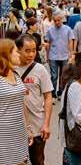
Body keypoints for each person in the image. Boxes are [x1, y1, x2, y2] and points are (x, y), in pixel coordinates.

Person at [15, 34, 53, 165]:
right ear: (18, 49)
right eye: (27, 50)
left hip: (37, 127)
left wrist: (46, 124)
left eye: (34, 50)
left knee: (38, 161)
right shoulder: (10, 69)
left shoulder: (40, 70)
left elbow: (48, 97)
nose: (31, 54)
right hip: (16, 128)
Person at [0, 39, 33, 165]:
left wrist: (28, 128)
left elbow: (21, 104)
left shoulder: (16, 75)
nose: (18, 54)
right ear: (6, 55)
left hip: (19, 132)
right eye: (15, 51)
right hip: (3, 134)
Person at [45, 10, 75, 99]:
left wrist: (71, 53)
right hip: (53, 55)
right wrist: (47, 56)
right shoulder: (50, 30)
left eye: (58, 20)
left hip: (65, 55)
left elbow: (70, 41)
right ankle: (53, 92)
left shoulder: (68, 29)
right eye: (55, 21)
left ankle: (61, 91)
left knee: (63, 75)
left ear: (62, 19)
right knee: (54, 76)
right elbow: (48, 43)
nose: (57, 22)